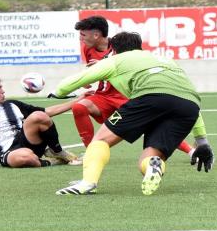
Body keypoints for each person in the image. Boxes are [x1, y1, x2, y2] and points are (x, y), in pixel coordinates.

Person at [53, 31, 214, 195]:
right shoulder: (166, 60)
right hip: (189, 106)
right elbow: (188, 97)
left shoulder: (115, 60)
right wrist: (202, 142)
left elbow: (75, 81)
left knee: (101, 139)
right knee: (150, 156)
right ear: (139, 47)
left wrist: (58, 92)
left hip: (150, 97)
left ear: (113, 51)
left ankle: (88, 183)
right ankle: (154, 165)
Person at [60, 15, 195, 158]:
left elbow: (129, 64)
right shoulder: (88, 49)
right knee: (79, 107)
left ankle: (191, 151)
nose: (80, 39)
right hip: (103, 96)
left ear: (96, 35)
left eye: (83, 35)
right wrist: (88, 77)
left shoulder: (120, 46)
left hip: (124, 94)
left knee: (153, 124)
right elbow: (94, 71)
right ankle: (90, 154)